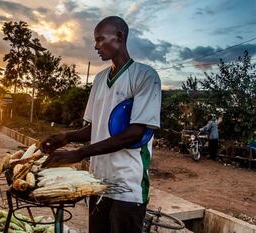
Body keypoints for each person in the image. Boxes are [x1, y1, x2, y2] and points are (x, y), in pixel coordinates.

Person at [41, 16, 162, 233]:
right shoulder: (99, 80)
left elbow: (135, 132)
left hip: (128, 187)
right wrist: (66, 136)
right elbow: (94, 129)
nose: (96, 46)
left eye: (100, 39)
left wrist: (79, 154)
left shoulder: (145, 76)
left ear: (119, 37)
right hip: (97, 183)